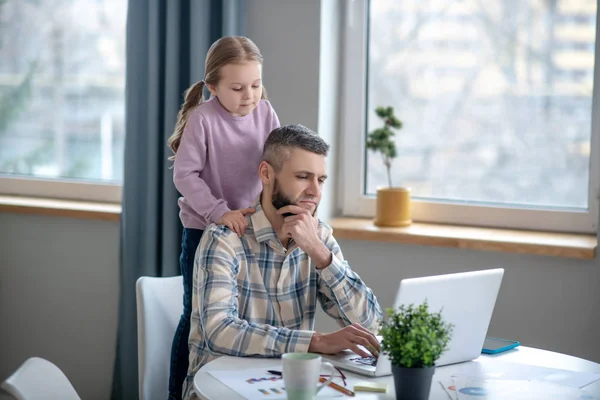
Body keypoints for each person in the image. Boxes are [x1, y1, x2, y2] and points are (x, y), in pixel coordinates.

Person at [183, 124, 383, 400]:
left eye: (321, 180)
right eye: (303, 177)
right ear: (266, 173)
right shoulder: (224, 238)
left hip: (287, 389)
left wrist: (319, 253)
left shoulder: (319, 237)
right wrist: (316, 342)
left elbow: (372, 326)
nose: (315, 191)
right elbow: (220, 330)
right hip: (218, 390)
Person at [167, 36, 280, 400]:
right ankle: (178, 393)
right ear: (213, 86)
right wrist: (220, 212)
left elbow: (275, 167)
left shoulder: (265, 112)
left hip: (251, 232)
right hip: (204, 232)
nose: (249, 95)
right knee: (198, 318)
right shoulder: (203, 120)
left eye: (256, 84)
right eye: (237, 87)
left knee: (245, 320)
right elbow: (184, 176)